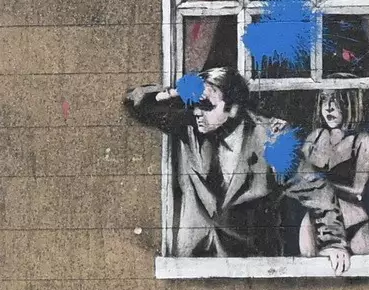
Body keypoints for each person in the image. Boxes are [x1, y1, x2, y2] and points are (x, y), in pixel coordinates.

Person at [125, 67, 299, 258]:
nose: (197, 112)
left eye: (206, 106)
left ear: (233, 108)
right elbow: (134, 102)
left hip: (251, 262)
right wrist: (176, 92)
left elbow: (313, 189)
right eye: (195, 104)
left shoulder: (270, 136)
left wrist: (333, 244)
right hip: (196, 259)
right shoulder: (190, 129)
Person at [289, 88, 369, 256]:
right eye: (324, 99)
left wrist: (320, 185)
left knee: (363, 276)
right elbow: (298, 178)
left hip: (353, 221)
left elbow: (358, 191)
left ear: (351, 103)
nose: (328, 107)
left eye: (337, 100)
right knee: (315, 277)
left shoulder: (363, 141)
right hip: (317, 222)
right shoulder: (314, 138)